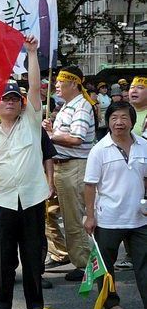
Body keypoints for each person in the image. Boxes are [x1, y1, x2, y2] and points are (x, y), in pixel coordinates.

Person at [0, 35, 53, 309]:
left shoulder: (32, 123)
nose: (9, 103)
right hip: (2, 202)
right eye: (4, 99)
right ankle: (2, 307)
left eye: (14, 99)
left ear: (22, 105)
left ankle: (36, 307)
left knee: (33, 257)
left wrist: (32, 53)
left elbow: (34, 87)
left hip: (32, 199)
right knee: (3, 261)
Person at [84, 101, 147, 309]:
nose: (119, 123)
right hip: (108, 219)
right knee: (106, 266)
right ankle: (111, 303)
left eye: (124, 118)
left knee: (144, 265)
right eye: (114, 118)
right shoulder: (98, 150)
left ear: (132, 121)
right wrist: (90, 216)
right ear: (108, 122)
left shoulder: (144, 145)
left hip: (140, 219)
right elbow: (90, 185)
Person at [42, 65, 95, 281]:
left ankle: (85, 267)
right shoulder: (67, 105)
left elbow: (77, 139)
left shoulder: (82, 106)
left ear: (73, 83)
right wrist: (51, 128)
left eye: (59, 82)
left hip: (73, 167)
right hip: (58, 166)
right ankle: (61, 252)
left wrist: (51, 135)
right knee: (47, 212)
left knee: (73, 220)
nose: (56, 86)